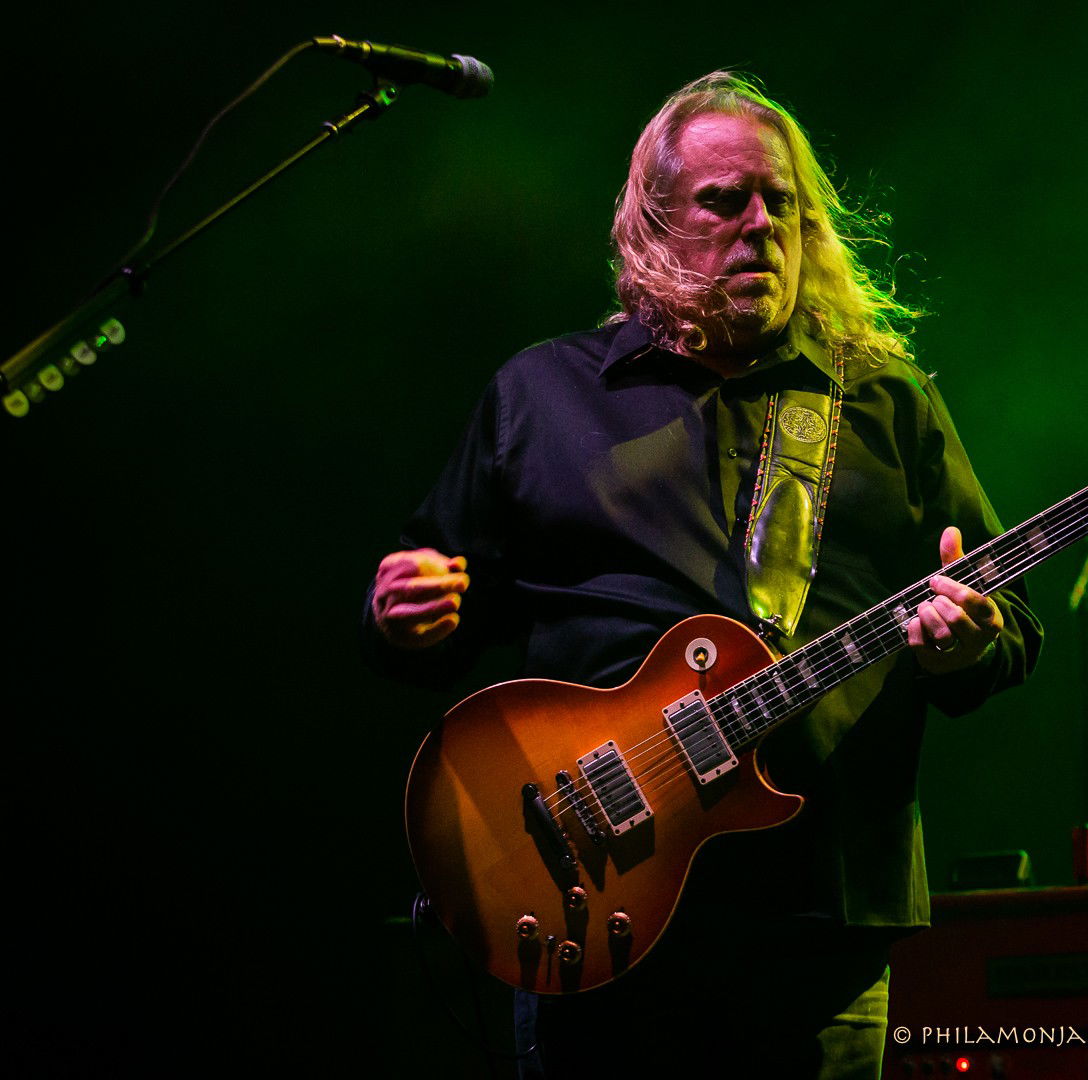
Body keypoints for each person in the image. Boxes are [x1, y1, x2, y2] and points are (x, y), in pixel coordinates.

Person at [361, 72, 1042, 1080]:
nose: (760, 225)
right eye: (726, 201)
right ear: (653, 224)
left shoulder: (885, 401)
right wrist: (404, 615)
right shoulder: (541, 395)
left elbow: (1004, 617)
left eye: (782, 202)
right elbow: (440, 611)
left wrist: (969, 646)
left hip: (815, 919)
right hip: (589, 895)